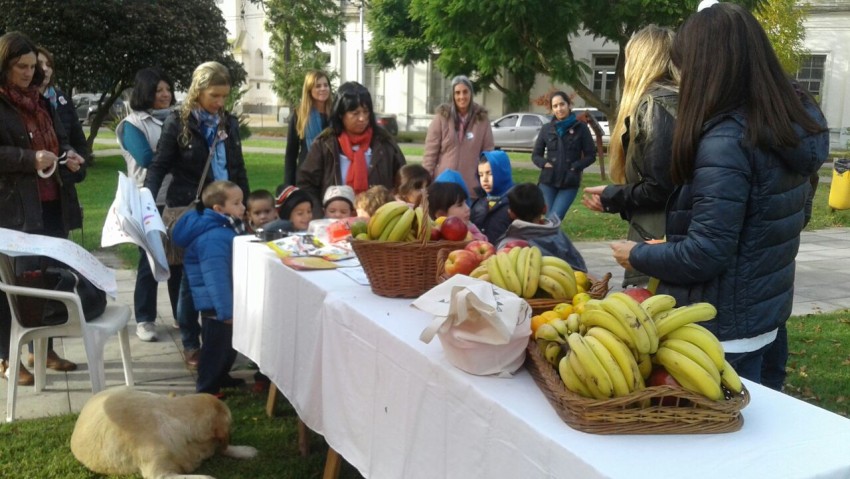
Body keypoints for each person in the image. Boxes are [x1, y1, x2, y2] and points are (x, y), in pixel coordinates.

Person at [612, 2, 828, 387]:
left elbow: (707, 253)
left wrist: (638, 254)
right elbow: (772, 221)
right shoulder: (786, 126)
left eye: (686, 67)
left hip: (722, 332)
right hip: (763, 317)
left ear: (708, 68)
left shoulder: (729, 139)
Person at [145, 61, 250, 369]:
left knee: (220, 274)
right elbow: (159, 165)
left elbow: (237, 165)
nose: (219, 102)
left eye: (224, 96)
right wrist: (146, 201)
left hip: (226, 209)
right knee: (191, 280)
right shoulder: (178, 122)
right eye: (214, 95)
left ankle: (220, 338)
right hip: (192, 210)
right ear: (198, 91)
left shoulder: (227, 122)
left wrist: (245, 206)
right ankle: (192, 342)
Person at [0, 32, 87, 384]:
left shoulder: (41, 100)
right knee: (14, 285)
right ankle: (6, 357)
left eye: (31, 66)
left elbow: (60, 140)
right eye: (20, 66)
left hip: (52, 204)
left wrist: (70, 155)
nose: (27, 73)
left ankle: (42, 350)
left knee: (48, 281)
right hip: (14, 211)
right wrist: (29, 158)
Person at [581, 25, 679, 287]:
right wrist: (616, 201)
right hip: (671, 242)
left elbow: (660, 188)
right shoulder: (682, 101)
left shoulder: (655, 106)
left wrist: (614, 195)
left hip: (657, 246)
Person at [116, 67, 180, 342]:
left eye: (168, 89)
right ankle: (145, 319)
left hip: (178, 198)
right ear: (145, 93)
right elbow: (146, 159)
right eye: (158, 90)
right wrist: (180, 157)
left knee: (178, 258)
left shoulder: (179, 118)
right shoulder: (131, 124)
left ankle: (181, 314)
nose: (165, 94)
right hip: (148, 200)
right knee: (149, 260)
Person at [171, 181, 246, 397]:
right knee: (215, 349)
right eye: (236, 203)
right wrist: (226, 312)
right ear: (218, 209)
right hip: (217, 305)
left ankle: (221, 377)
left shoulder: (224, 228)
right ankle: (207, 389)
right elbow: (216, 277)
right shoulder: (214, 237)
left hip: (223, 302)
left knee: (228, 346)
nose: (243, 207)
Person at [297, 81, 405, 210]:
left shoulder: (384, 142)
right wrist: (320, 212)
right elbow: (306, 183)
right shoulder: (325, 143)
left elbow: (404, 180)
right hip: (334, 218)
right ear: (341, 114)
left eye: (366, 112)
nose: (362, 118)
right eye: (355, 113)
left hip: (379, 218)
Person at [422, 75, 494, 197]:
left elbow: (488, 153)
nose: (462, 97)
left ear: (471, 93)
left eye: (465, 92)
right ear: (452, 95)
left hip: (471, 188)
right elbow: (430, 154)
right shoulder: (441, 118)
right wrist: (425, 182)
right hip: (443, 186)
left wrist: (486, 181)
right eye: (457, 93)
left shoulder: (482, 119)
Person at [531, 91, 596, 221]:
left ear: (568, 105)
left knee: (554, 219)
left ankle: (546, 235)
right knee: (549, 220)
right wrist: (544, 163)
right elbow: (536, 155)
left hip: (569, 181)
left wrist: (575, 166)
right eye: (555, 106)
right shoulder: (546, 129)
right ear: (552, 109)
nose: (559, 109)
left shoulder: (581, 128)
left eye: (562, 104)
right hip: (548, 181)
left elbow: (591, 155)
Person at [498, 183, 587, 272]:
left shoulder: (507, 246)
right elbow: (580, 266)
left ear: (511, 213)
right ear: (545, 209)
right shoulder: (559, 235)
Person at [36, 46, 90, 163]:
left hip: (66, 170)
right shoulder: (22, 101)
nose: (45, 69)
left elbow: (79, 140)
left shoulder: (62, 99)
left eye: (49, 65)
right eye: (39, 64)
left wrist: (79, 166)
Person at [284, 70, 332, 186]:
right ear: (309, 89)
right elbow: (291, 154)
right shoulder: (299, 115)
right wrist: (289, 186)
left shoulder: (335, 114)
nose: (323, 89)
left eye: (326, 85)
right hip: (307, 177)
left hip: (331, 176)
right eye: (318, 86)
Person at [470, 150, 514, 244]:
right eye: (481, 175)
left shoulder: (516, 202)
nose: (484, 179)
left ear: (503, 172)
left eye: (490, 174)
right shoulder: (479, 203)